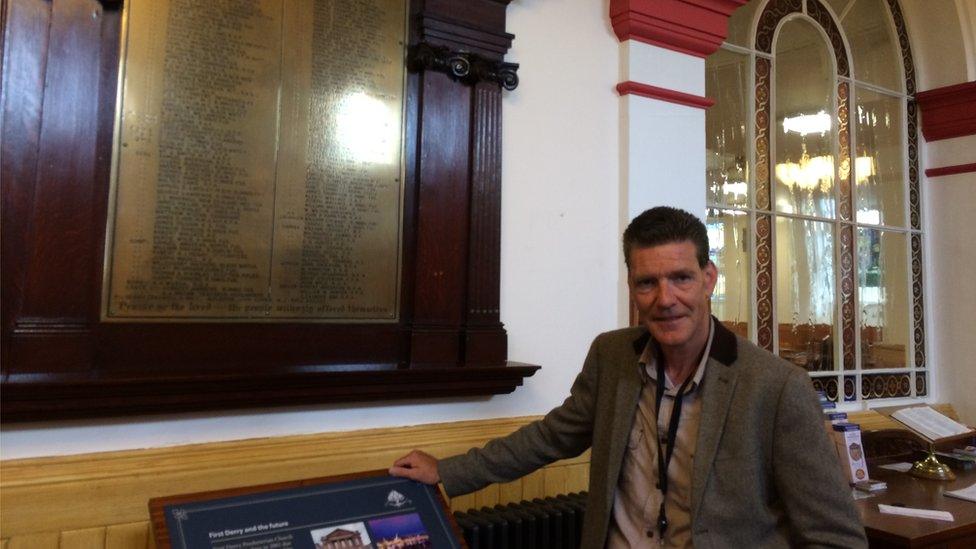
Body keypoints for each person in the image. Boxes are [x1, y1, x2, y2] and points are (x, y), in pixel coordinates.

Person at [390, 206, 866, 548]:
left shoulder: (777, 388)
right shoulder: (612, 356)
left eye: (680, 277)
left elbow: (835, 538)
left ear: (709, 278)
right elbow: (549, 438)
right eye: (647, 282)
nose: (665, 298)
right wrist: (447, 472)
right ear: (631, 288)